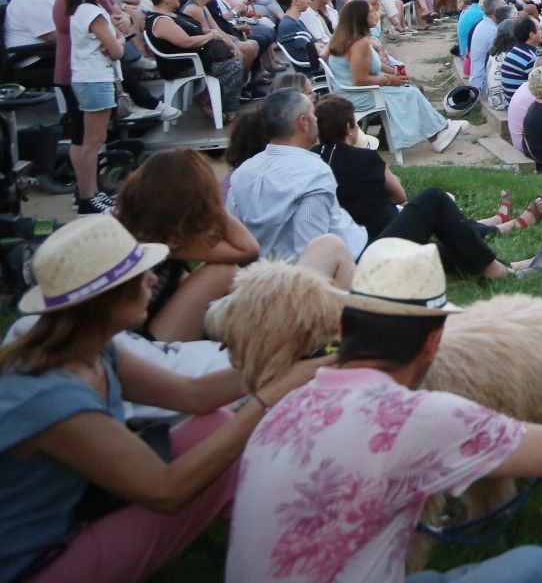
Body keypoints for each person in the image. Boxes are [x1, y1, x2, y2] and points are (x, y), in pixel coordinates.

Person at [227, 238, 542, 583]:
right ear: (434, 341)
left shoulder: (283, 407)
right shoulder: (420, 419)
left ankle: (488, 513)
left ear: (342, 327)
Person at [0, 216, 320, 583]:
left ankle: (283, 541)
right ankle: (299, 553)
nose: (153, 279)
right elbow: (166, 491)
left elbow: (192, 394)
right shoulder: (54, 397)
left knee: (212, 426)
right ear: (105, 300)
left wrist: (287, 362)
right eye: (139, 274)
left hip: (72, 514)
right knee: (222, 459)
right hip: (30, 565)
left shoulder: (90, 348)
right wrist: (268, 398)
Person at [311, 93, 536, 281]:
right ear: (350, 127)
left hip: (355, 247)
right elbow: (399, 195)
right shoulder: (363, 158)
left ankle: (506, 257)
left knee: (436, 245)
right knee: (434, 202)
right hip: (374, 245)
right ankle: (502, 247)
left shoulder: (313, 160)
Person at [109, 147, 261, 342]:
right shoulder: (165, 239)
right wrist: (212, 205)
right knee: (223, 273)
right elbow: (248, 249)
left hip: (123, 335)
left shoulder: (131, 222)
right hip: (137, 341)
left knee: (204, 281)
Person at [330, 0, 467, 154]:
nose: (375, 14)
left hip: (350, 92)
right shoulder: (359, 43)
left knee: (410, 90)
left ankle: (440, 130)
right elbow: (360, 80)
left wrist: (394, 72)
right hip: (358, 95)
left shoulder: (350, 38)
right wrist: (389, 80)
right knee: (411, 93)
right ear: (361, 17)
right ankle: (438, 133)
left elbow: (373, 64)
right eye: (371, 12)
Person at [63, 0, 122, 215]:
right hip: (95, 78)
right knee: (93, 141)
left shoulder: (84, 8)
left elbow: (115, 43)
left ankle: (91, 193)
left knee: (89, 140)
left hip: (90, 77)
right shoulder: (90, 11)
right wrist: (118, 40)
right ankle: (87, 197)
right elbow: (116, 50)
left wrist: (117, 41)